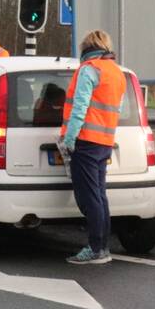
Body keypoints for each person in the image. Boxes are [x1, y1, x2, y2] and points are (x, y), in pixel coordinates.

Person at [58, 29, 124, 265]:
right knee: (100, 195)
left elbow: (80, 106)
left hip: (85, 140)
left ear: (86, 48)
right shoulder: (117, 73)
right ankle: (102, 246)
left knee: (89, 198)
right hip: (105, 141)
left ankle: (95, 248)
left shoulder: (89, 70)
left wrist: (69, 138)